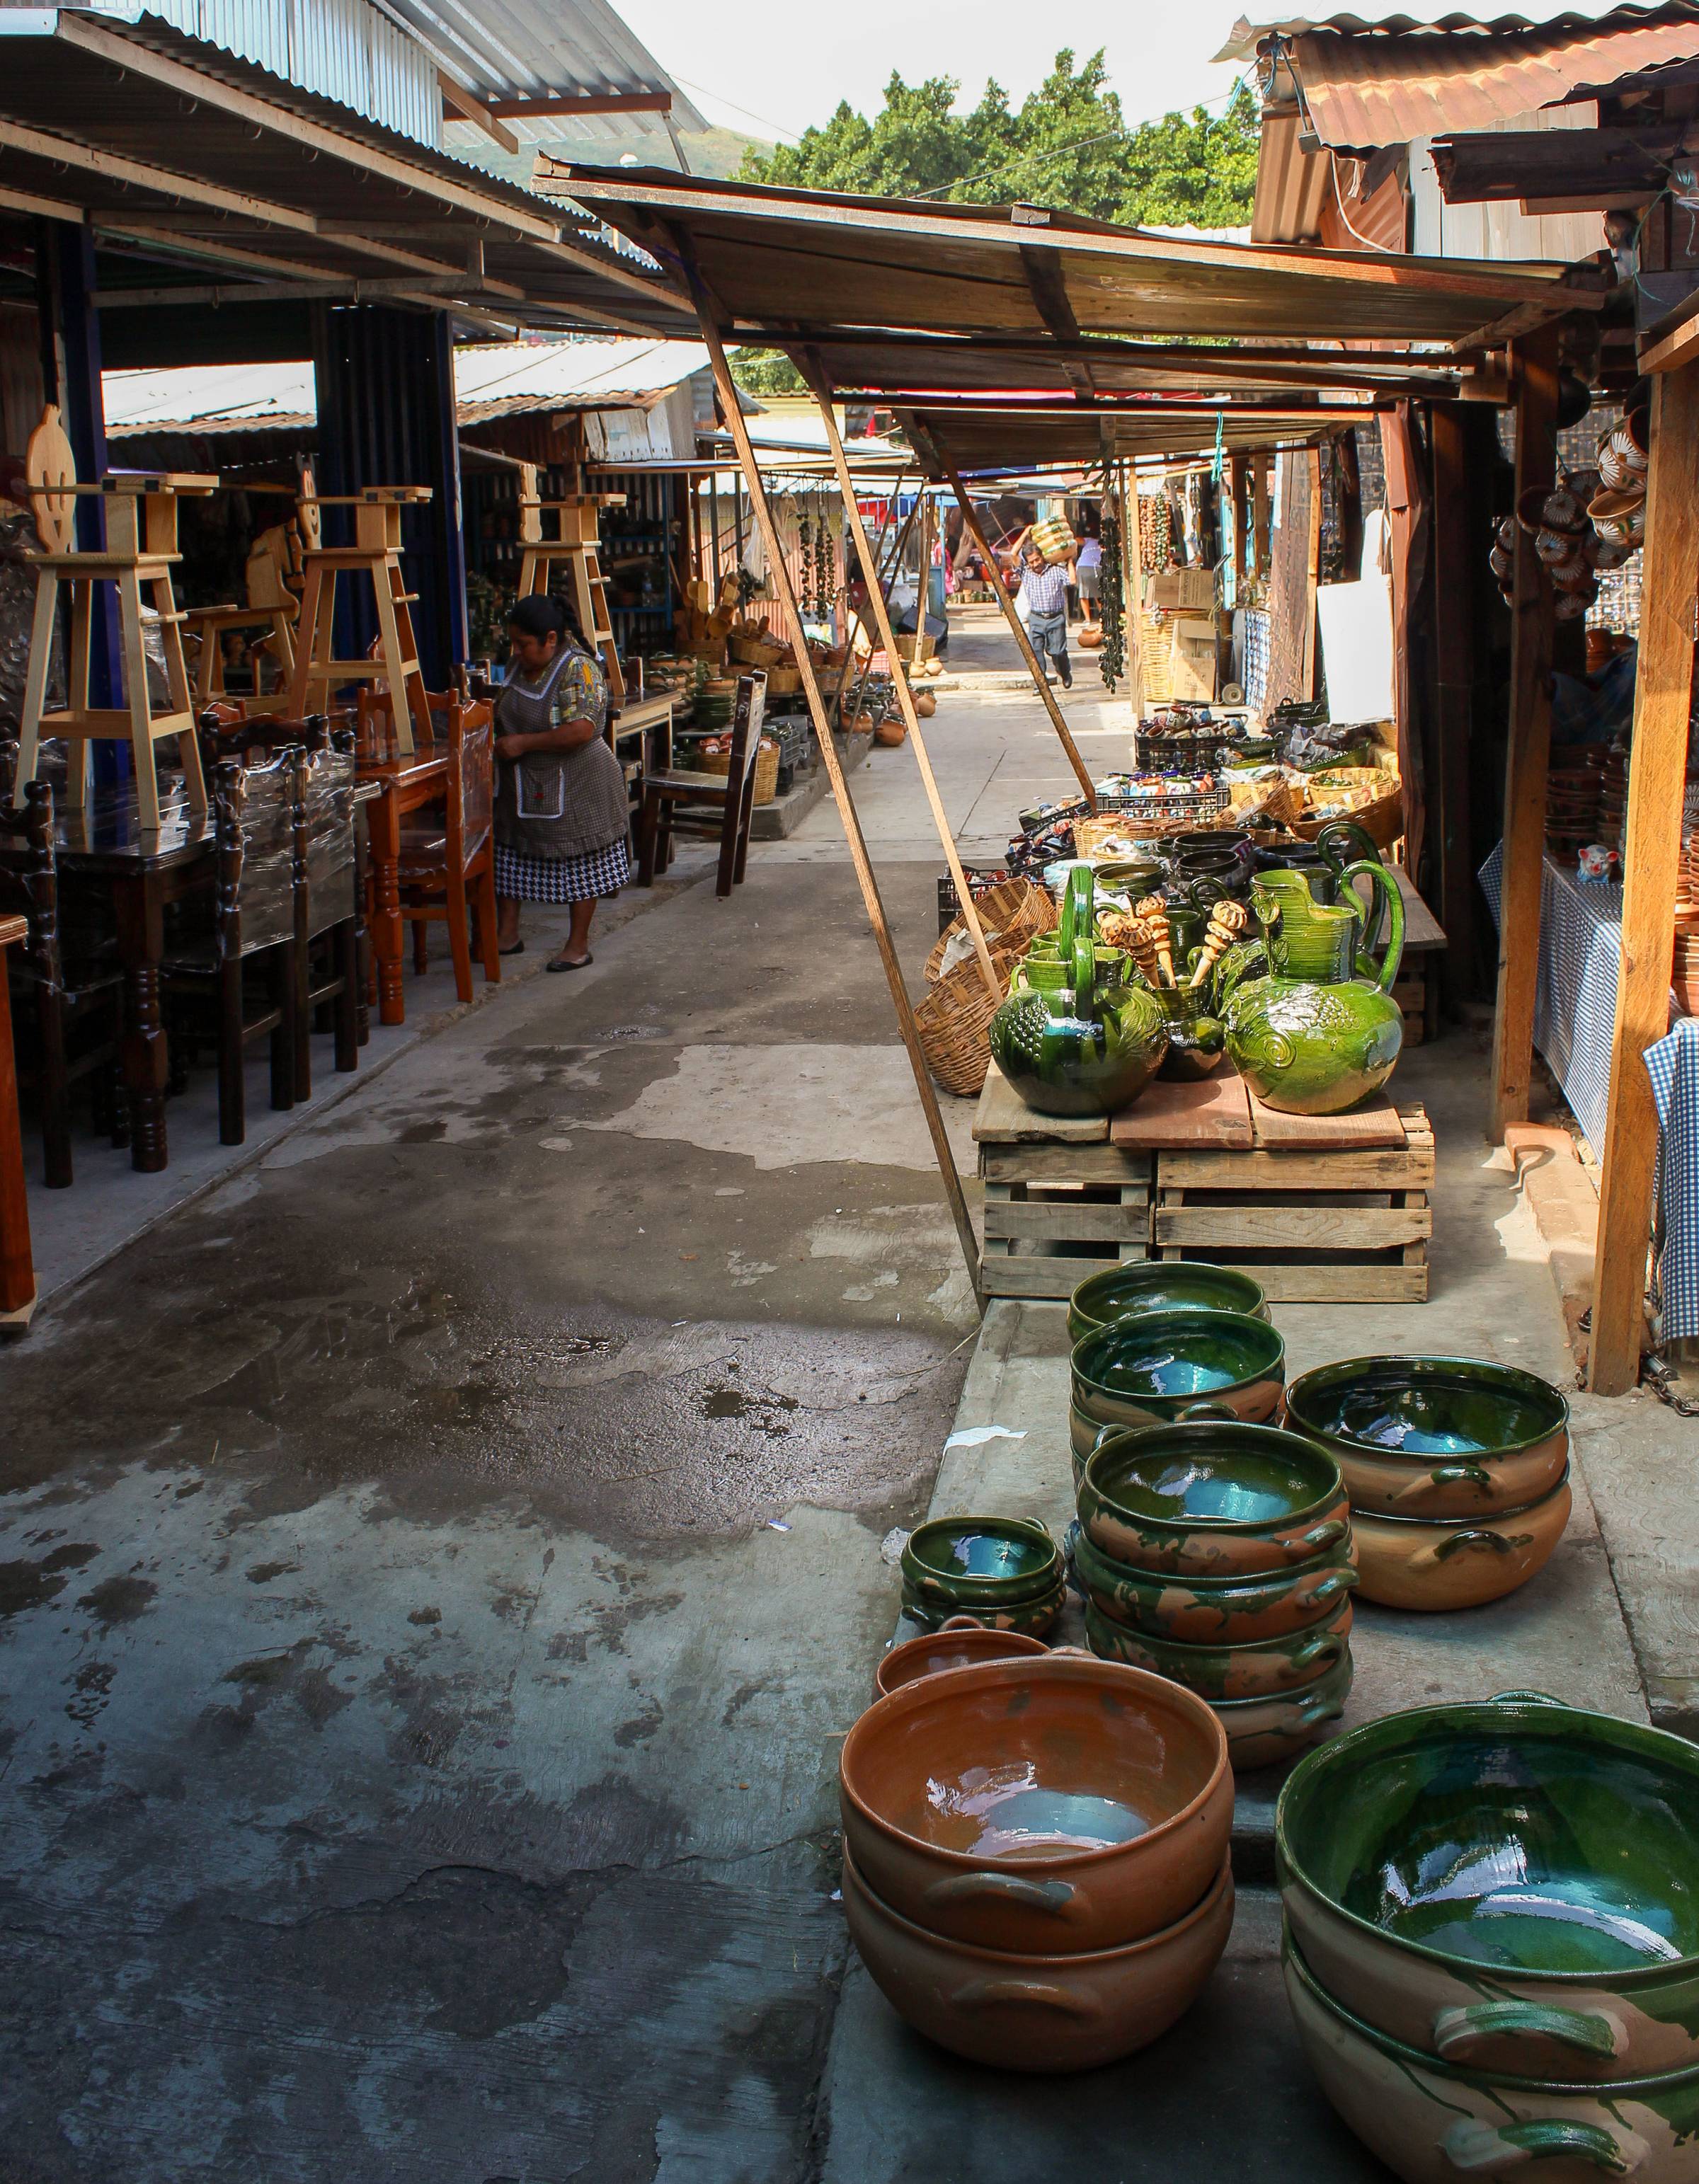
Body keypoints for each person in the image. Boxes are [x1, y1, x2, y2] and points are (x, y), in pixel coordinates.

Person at [491, 592, 629, 972]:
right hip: (525, 782)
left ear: (551, 639)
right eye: (514, 643)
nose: (516, 652)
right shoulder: (520, 665)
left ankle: (577, 944)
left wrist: (522, 742)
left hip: (578, 783)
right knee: (510, 854)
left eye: (523, 644)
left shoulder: (578, 669)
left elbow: (583, 730)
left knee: (579, 863)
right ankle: (507, 934)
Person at [1015, 544, 1072, 689]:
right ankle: (1040, 682)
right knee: (1035, 652)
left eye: (1037, 559)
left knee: (1058, 652)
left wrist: (1070, 562)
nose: (1036, 564)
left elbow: (1072, 581)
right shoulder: (1026, 573)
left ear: (1042, 557)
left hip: (1055, 618)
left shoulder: (1056, 571)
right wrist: (1025, 532)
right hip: (1036, 618)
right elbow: (1013, 554)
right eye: (1031, 562)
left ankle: (1065, 673)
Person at [1075, 530, 1103, 628]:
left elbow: (1076, 541)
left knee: (1084, 594)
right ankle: (1103, 617)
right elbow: (1077, 541)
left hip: (1085, 567)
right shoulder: (1102, 543)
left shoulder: (1089, 541)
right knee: (1099, 594)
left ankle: (1088, 620)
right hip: (1097, 568)